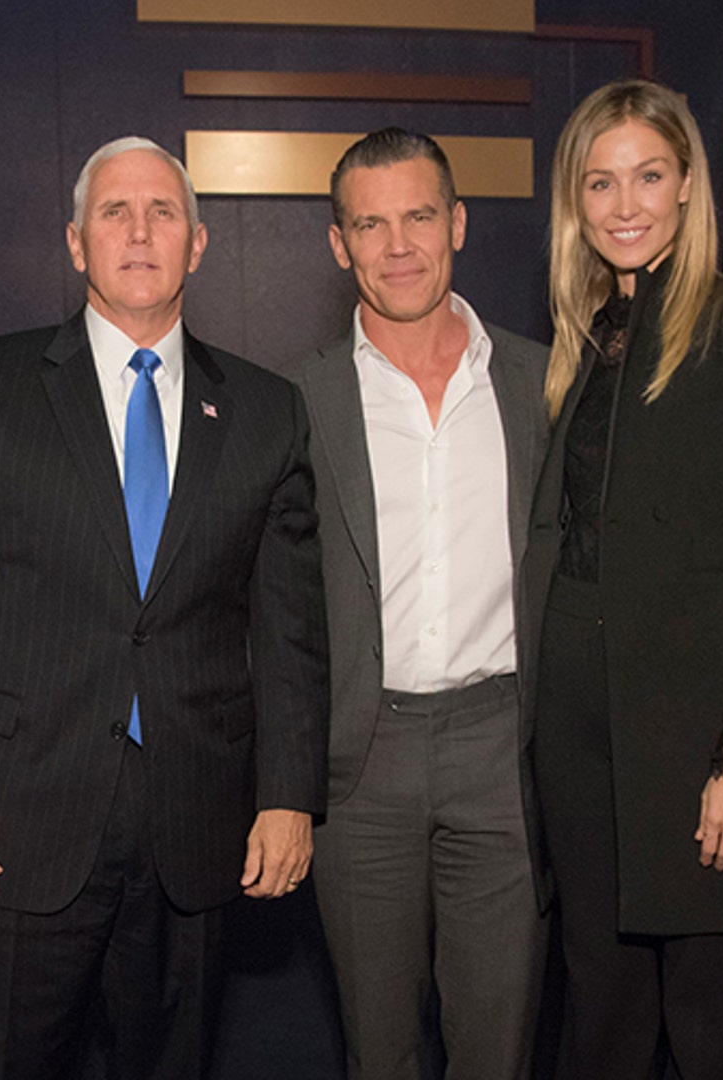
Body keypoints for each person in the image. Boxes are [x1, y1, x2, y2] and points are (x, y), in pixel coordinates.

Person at [0, 136, 328, 1079]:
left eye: (163, 212)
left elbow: (290, 630)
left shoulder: (265, 410)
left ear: (199, 244)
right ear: (75, 242)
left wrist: (289, 796)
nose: (140, 232)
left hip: (198, 819)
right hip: (17, 818)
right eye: (114, 213)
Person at [524, 79, 723, 1080]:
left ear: (687, 185)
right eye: (602, 182)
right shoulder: (580, 346)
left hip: (695, 731)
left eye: (649, 176)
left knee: (712, 1023)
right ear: (575, 204)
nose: (626, 204)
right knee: (602, 1011)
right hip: (579, 734)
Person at [291, 127, 549, 1079]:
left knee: (497, 1046)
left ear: (460, 223)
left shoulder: (542, 381)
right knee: (379, 1051)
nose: (397, 245)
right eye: (370, 224)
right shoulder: (297, 401)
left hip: (505, 753)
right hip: (361, 766)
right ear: (338, 244)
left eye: (419, 217)